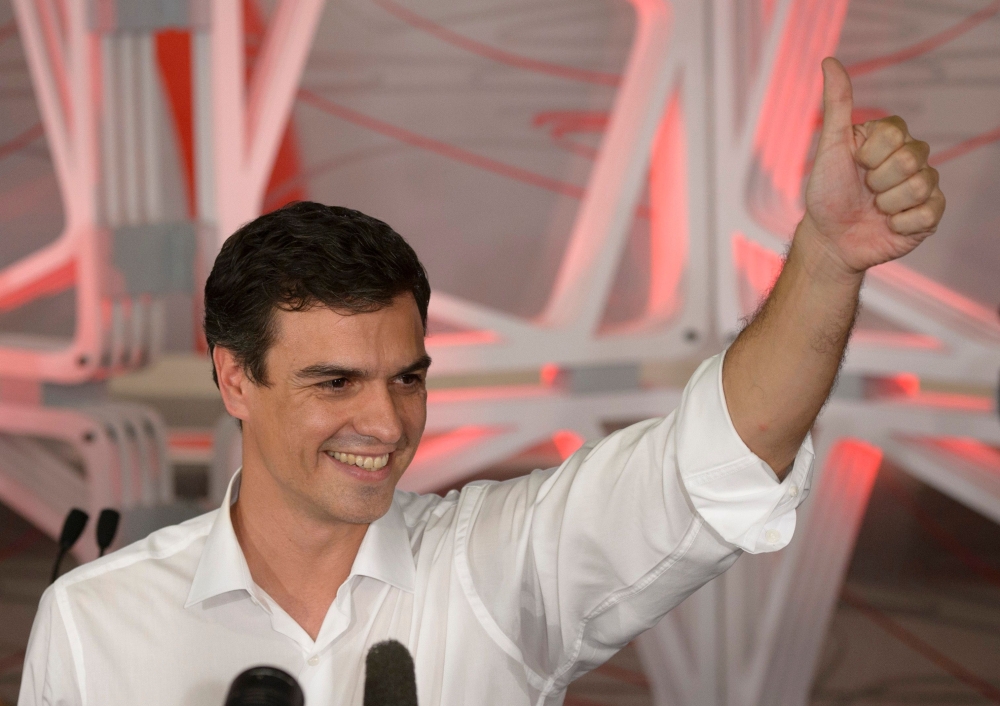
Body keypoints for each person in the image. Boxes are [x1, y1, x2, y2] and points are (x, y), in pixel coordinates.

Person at [19, 58, 944, 705]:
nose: (384, 422)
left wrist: (825, 258)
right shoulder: (94, 621)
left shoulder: (497, 566)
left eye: (407, 378)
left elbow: (719, 459)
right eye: (334, 384)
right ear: (234, 379)